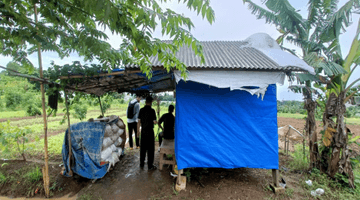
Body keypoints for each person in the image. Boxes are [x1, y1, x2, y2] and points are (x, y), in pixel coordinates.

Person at [137, 96, 158, 170]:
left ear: (146, 102)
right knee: (150, 149)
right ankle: (150, 166)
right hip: (150, 132)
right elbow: (154, 121)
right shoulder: (152, 111)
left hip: (143, 131)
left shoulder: (141, 110)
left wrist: (137, 132)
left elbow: (139, 122)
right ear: (151, 102)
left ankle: (141, 164)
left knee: (142, 148)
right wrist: (155, 121)